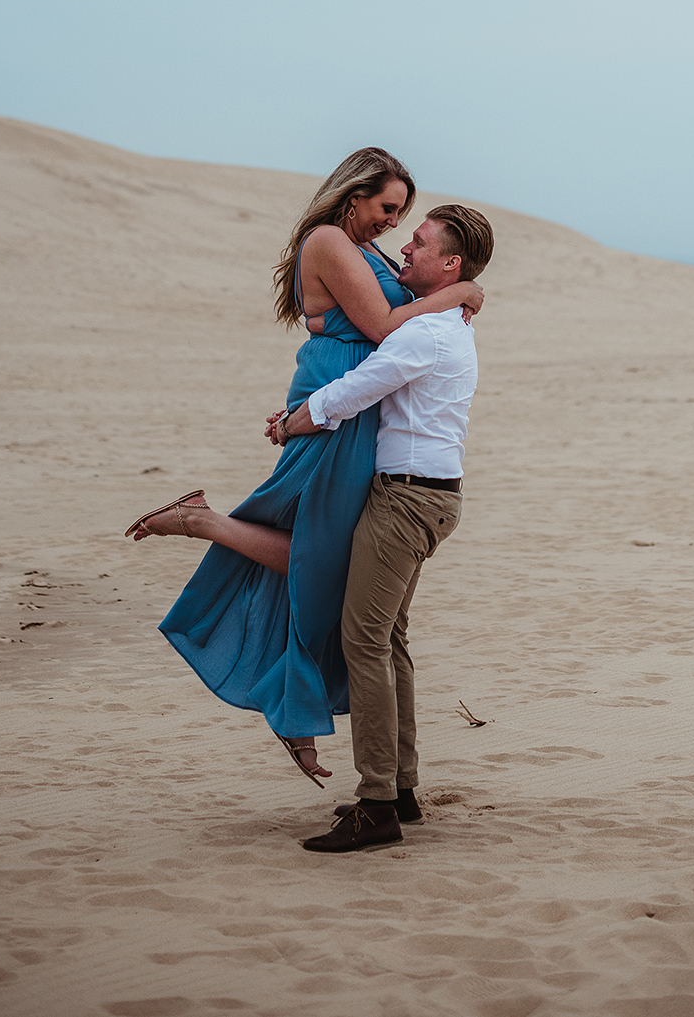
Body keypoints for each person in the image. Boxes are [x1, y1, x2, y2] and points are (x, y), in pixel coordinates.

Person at [125, 148, 484, 786]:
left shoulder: (367, 253)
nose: (392, 226)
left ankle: (212, 535)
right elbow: (382, 326)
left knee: (324, 559)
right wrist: (461, 290)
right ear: (353, 195)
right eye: (386, 209)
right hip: (335, 406)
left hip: (353, 411)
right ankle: (294, 703)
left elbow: (397, 327)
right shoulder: (327, 241)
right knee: (323, 559)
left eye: (403, 216)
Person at [269, 201, 492, 853]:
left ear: (449, 263)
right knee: (387, 638)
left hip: (407, 501)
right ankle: (399, 789)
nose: (405, 249)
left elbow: (358, 389)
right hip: (428, 494)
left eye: (418, 243)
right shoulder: (449, 316)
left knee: (362, 640)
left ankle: (376, 806)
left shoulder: (426, 332)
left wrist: (293, 420)